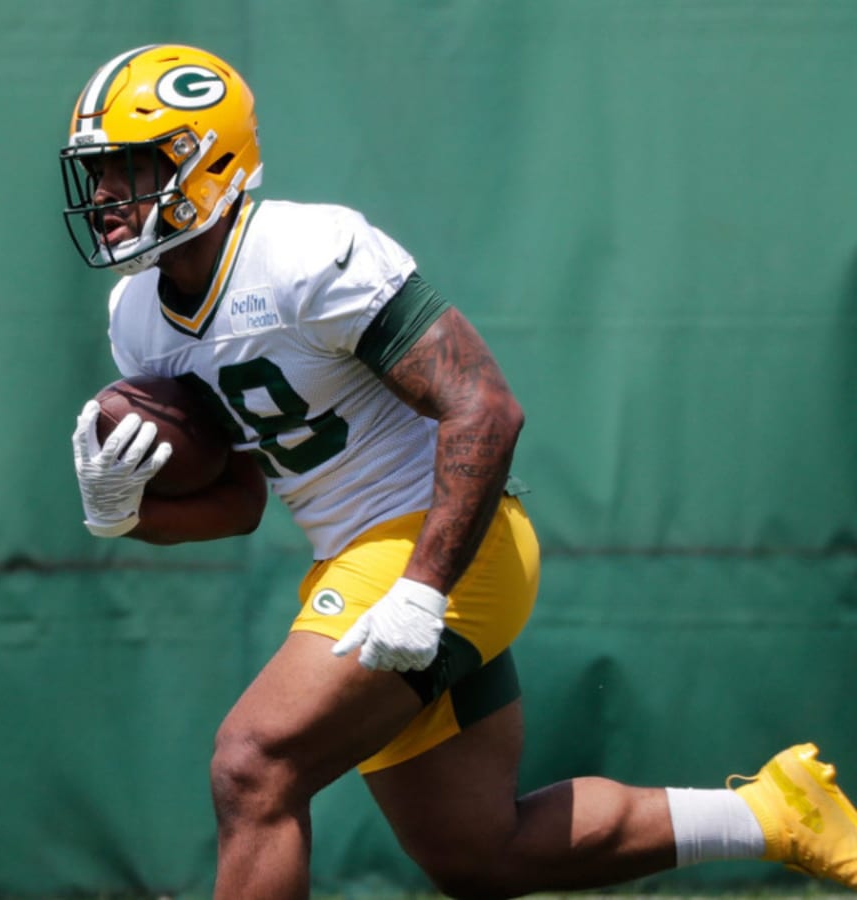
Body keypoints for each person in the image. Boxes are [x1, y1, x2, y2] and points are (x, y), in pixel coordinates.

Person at [63, 43, 857, 898]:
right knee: (479, 850)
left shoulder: (303, 253)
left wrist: (424, 587)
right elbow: (245, 500)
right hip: (356, 562)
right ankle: (778, 813)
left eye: (130, 168)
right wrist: (123, 514)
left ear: (205, 161)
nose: (107, 198)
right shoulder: (137, 318)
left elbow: (484, 406)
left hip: (445, 548)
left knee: (254, 765)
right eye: (98, 174)